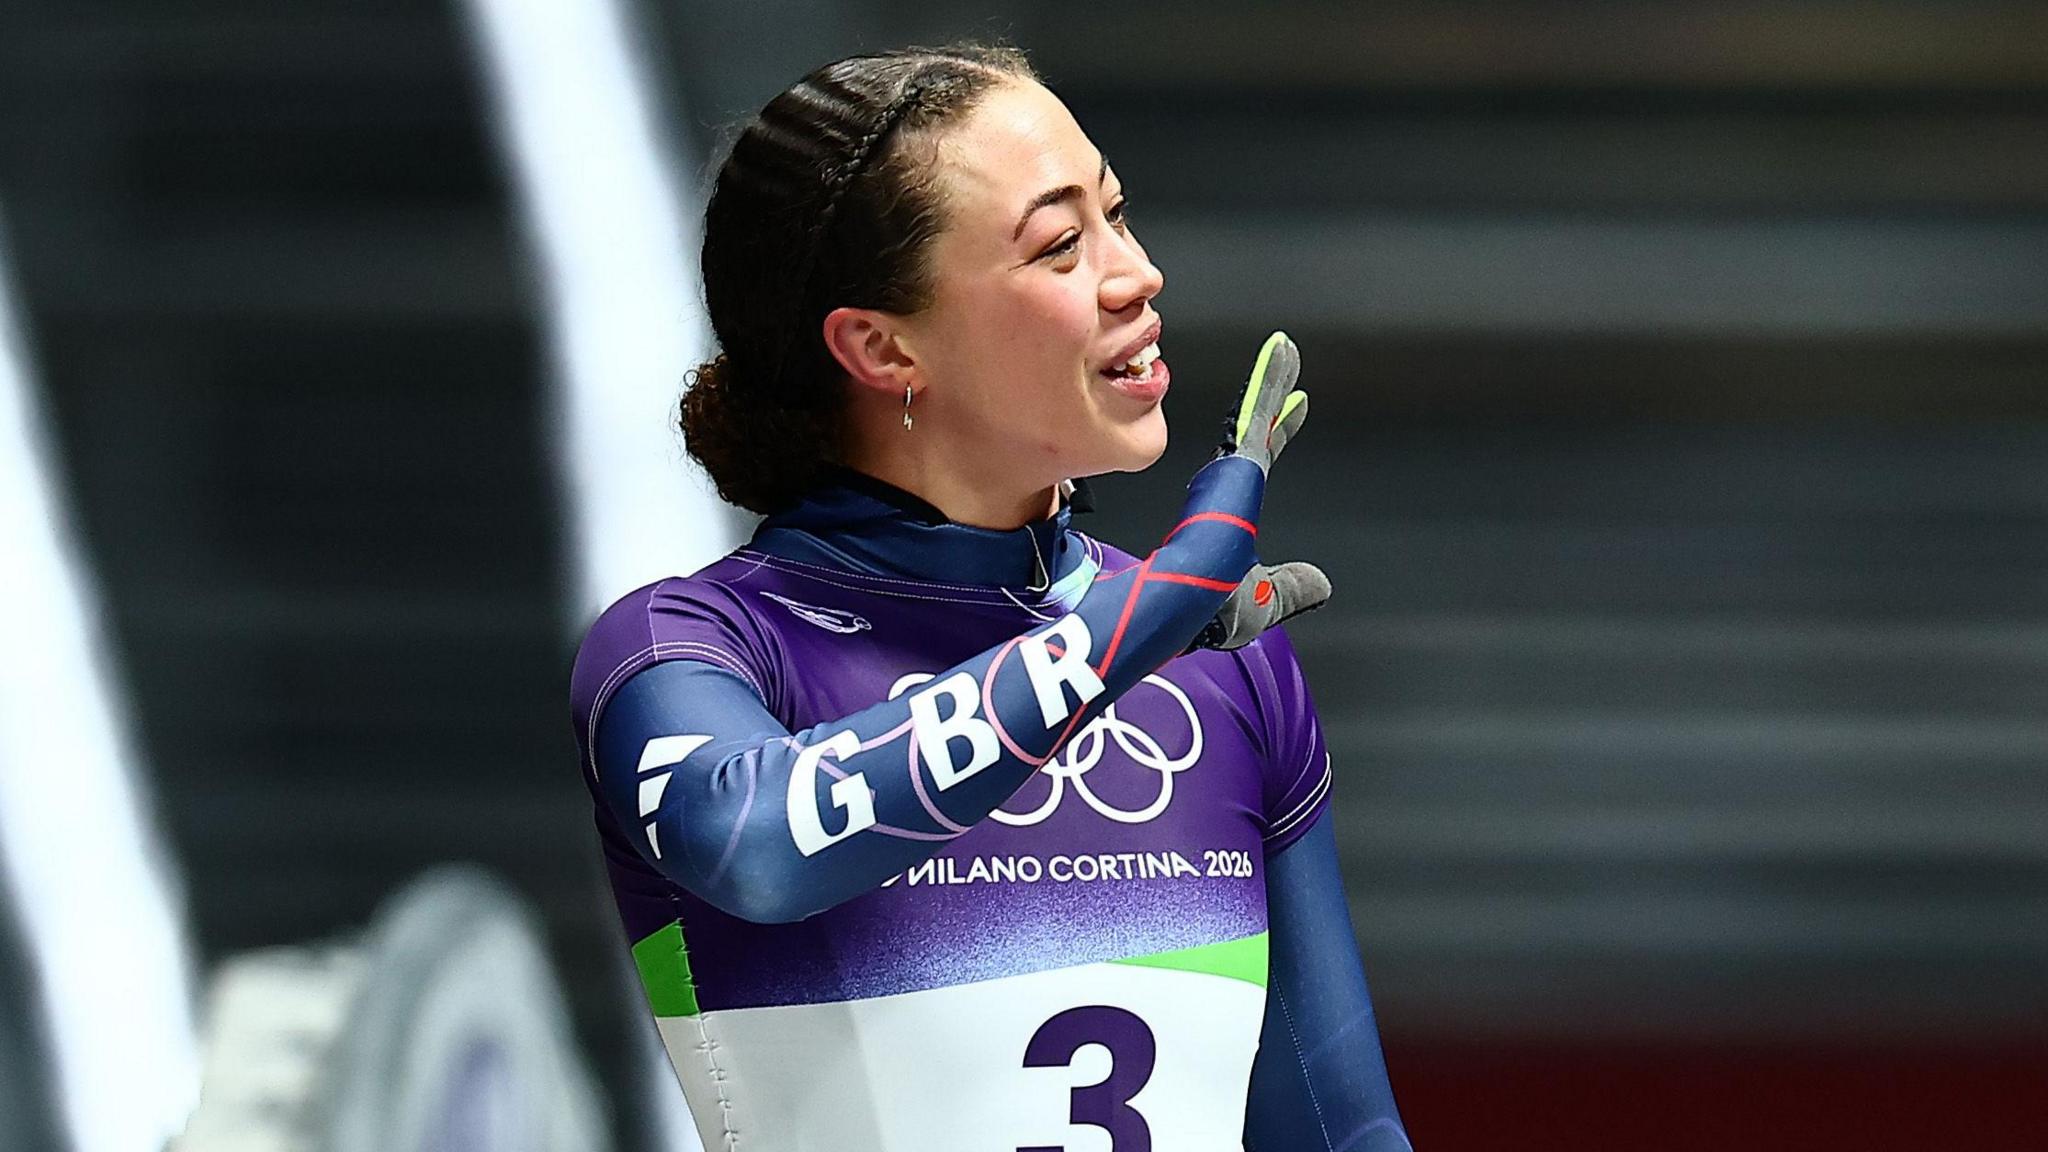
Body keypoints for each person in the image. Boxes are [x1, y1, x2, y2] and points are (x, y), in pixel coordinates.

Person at [569, 43, 1409, 1152]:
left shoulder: (1220, 657)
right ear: (878, 345)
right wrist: (1122, 636)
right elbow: (753, 847)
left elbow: (1339, 1129)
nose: (1134, 273)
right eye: (1061, 244)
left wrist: (1143, 623)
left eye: (1117, 213)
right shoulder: (695, 645)